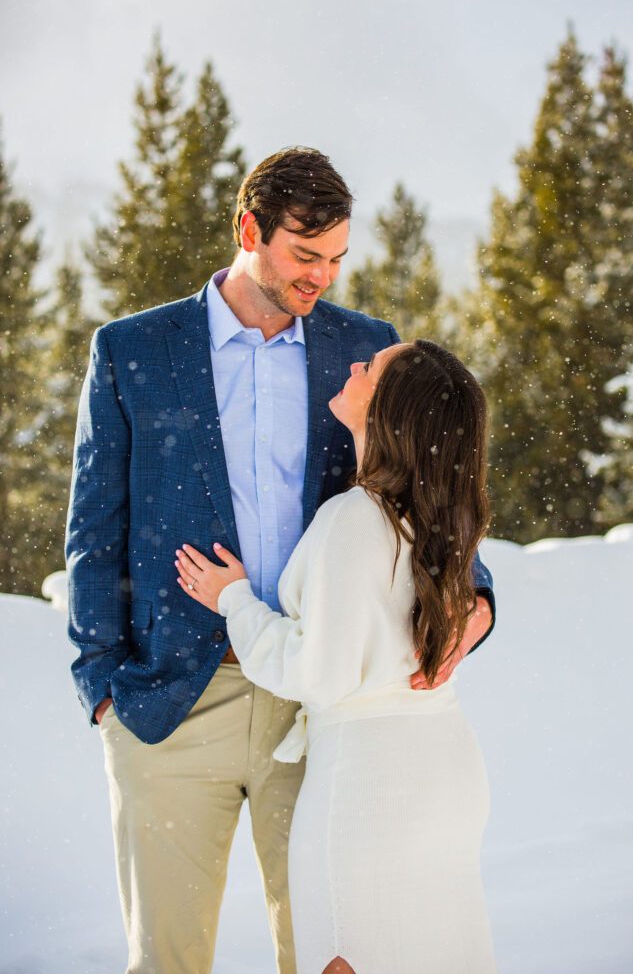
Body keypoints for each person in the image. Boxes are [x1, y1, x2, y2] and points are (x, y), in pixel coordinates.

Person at [66, 147, 496, 974]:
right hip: (169, 707)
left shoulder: (363, 351)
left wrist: (473, 600)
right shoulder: (134, 351)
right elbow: (96, 528)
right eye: (305, 256)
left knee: (329, 953)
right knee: (166, 959)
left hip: (318, 720)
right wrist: (103, 690)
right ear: (247, 230)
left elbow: (429, 488)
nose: (321, 279)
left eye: (336, 259)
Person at [175, 338, 498, 974]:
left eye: (371, 368)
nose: (355, 363)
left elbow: (312, 673)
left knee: (348, 956)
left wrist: (233, 599)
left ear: (392, 410)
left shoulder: (355, 519)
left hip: (369, 782)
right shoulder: (442, 518)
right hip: (442, 765)